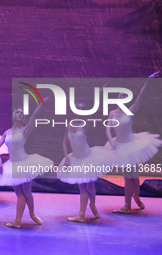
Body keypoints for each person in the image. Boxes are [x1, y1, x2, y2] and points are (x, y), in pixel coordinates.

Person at [106, 71, 161, 214]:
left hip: (132, 145)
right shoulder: (112, 113)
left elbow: (141, 96)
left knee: (133, 176)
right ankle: (129, 203)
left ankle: (134, 199)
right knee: (128, 177)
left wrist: (148, 80)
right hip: (120, 146)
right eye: (120, 97)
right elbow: (107, 129)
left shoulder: (130, 111)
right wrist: (111, 144)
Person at [0, 97, 53, 228]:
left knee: (26, 193)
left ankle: (24, 217)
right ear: (14, 115)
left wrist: (43, 102)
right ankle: (25, 217)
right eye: (17, 112)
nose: (20, 114)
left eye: (22, 113)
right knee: (20, 194)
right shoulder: (7, 132)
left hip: (24, 164)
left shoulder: (25, 130)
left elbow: (34, 115)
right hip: (11, 165)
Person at [57, 103, 117, 223]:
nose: (80, 110)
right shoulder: (69, 125)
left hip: (88, 158)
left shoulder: (85, 124)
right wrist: (66, 158)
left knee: (90, 186)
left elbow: (92, 112)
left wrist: (98, 96)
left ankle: (92, 205)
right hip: (75, 159)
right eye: (78, 108)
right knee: (83, 187)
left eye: (82, 109)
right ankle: (82, 214)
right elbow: (64, 143)